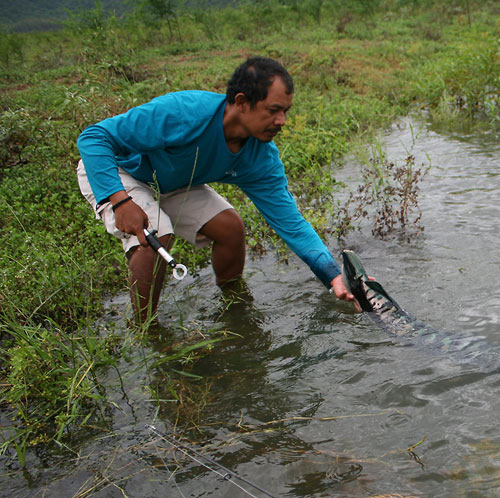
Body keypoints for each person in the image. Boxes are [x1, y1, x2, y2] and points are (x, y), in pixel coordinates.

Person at [76, 56, 355, 321]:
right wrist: (120, 201)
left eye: (285, 111)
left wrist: (333, 276)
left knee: (230, 228)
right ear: (242, 102)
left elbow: (292, 224)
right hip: (117, 171)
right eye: (273, 110)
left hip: (172, 180)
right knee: (155, 234)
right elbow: (94, 137)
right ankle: (145, 329)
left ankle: (234, 308)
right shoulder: (183, 112)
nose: (282, 121)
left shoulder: (260, 158)